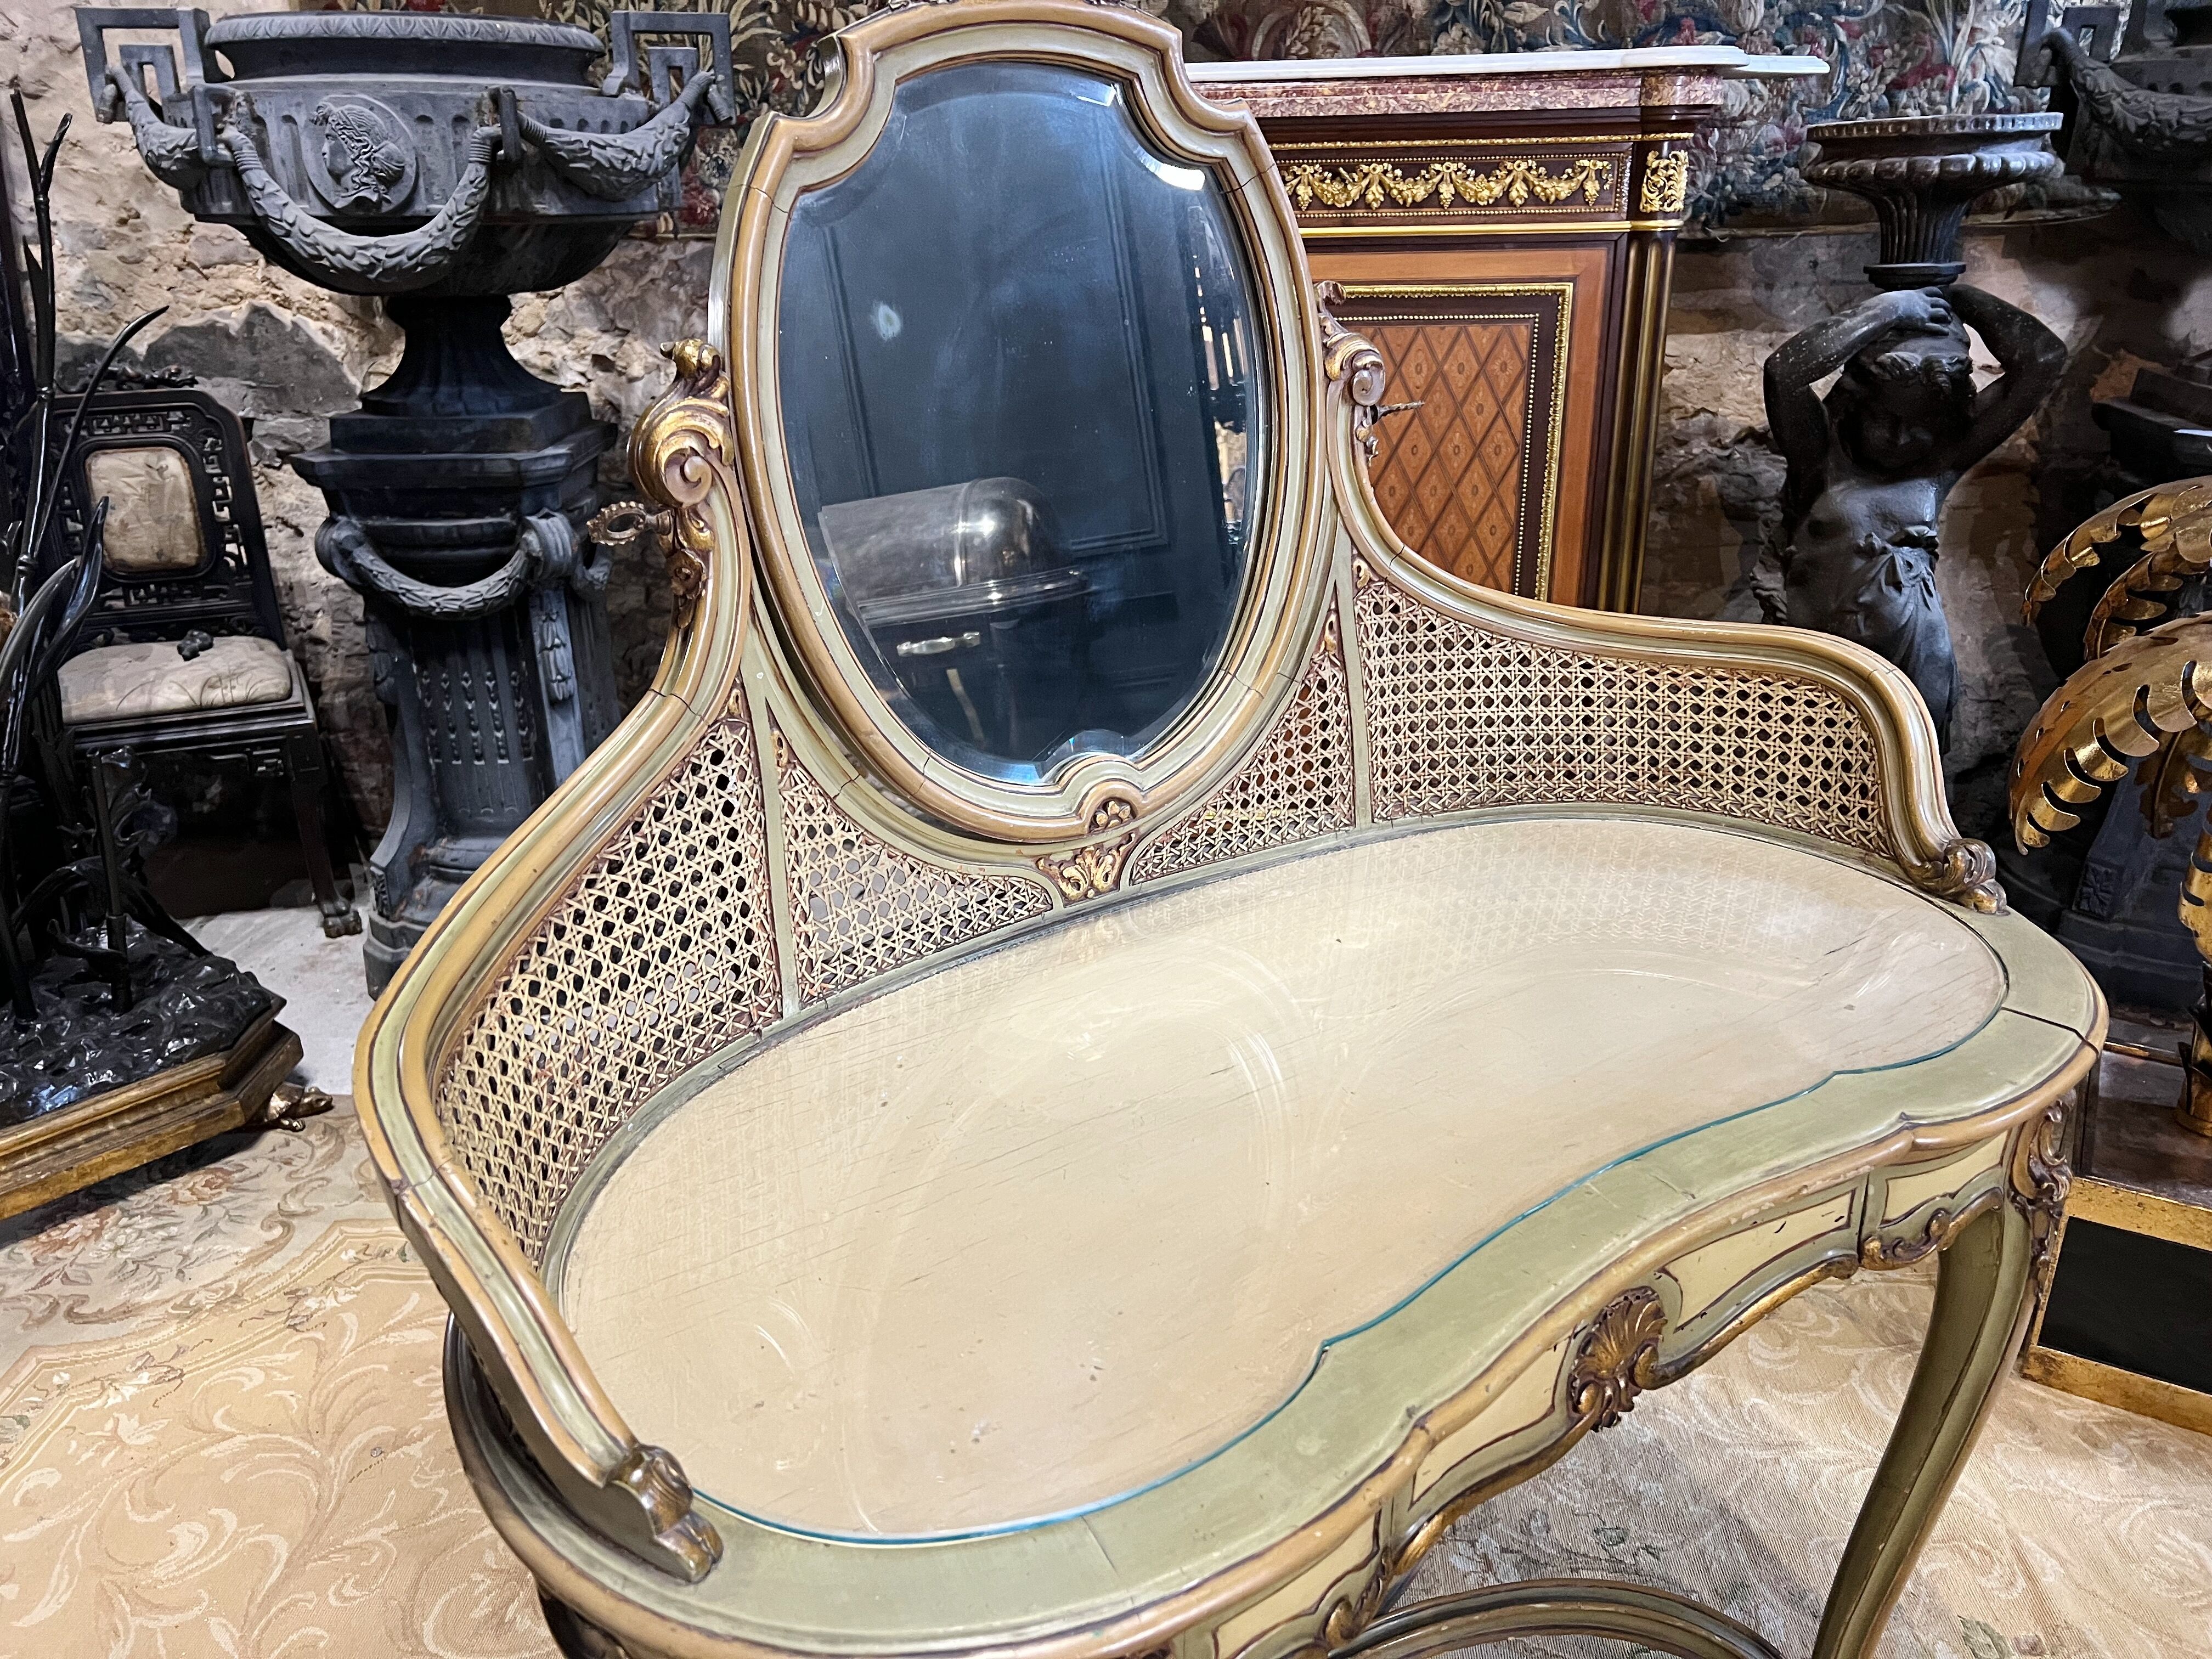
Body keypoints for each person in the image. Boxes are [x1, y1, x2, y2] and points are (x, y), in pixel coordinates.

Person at [1763, 283, 2064, 742]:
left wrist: (1961, 297)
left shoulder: (1940, 463)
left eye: (1922, 424)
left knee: (1909, 783)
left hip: (1914, 655)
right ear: (1855, 402)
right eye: (1887, 420)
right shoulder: (1820, 459)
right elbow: (1784, 373)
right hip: (1818, 657)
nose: (1903, 439)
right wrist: (1887, 308)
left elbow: (2043, 360)